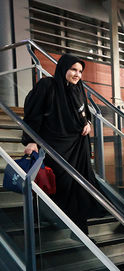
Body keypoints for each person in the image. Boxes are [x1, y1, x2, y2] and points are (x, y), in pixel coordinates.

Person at [22, 53, 101, 235]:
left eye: (80, 71)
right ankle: (51, 221)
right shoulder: (47, 86)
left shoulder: (78, 89)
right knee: (56, 182)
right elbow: (33, 114)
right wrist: (31, 141)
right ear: (63, 68)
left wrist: (88, 124)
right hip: (54, 146)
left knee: (78, 185)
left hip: (76, 147)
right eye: (73, 69)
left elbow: (84, 113)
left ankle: (78, 231)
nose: (77, 74)